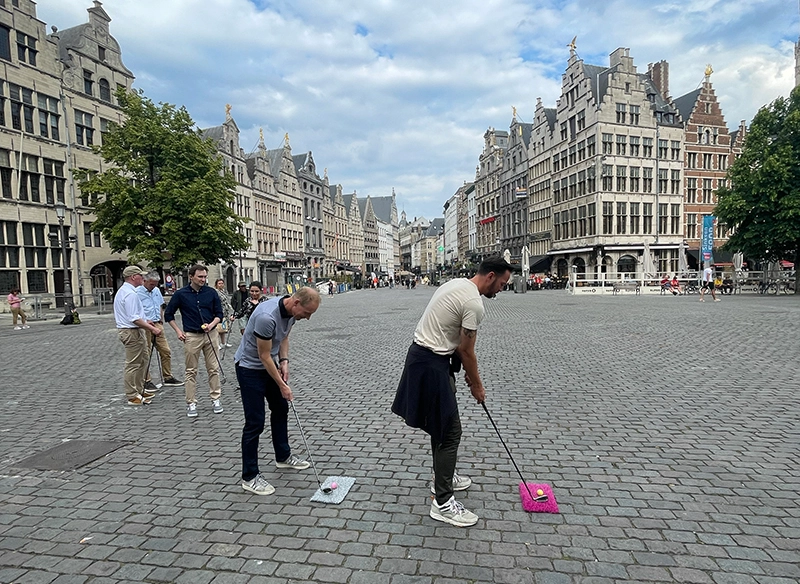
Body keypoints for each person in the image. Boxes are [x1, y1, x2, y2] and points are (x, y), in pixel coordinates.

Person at [392, 256, 513, 527]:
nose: (503, 289)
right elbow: (466, 350)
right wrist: (477, 385)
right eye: (503, 284)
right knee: (449, 431)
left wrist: (466, 377)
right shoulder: (474, 303)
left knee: (441, 425)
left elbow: (458, 346)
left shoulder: (457, 283)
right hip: (431, 363)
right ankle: (443, 502)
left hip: (425, 359)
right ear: (491, 276)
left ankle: (442, 476)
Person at [234, 287, 321, 495]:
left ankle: (283, 456)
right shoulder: (266, 317)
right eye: (307, 313)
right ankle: (250, 476)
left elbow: (283, 338)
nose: (307, 318)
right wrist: (282, 385)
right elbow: (263, 355)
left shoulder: (291, 313)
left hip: (269, 364)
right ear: (296, 303)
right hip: (249, 368)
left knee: (281, 408)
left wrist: (284, 361)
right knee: (255, 422)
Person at [164, 264, 225, 417]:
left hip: (210, 334)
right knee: (191, 370)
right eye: (200, 277)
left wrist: (211, 325)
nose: (203, 279)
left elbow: (219, 314)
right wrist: (178, 331)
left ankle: (216, 398)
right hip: (191, 335)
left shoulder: (211, 293)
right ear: (191, 276)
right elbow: (168, 315)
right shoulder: (181, 294)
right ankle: (191, 402)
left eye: (205, 276)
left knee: (213, 368)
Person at [114, 265, 162, 405]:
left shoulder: (127, 291)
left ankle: (140, 389)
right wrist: (151, 328)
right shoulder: (130, 294)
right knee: (133, 364)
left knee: (143, 360)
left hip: (135, 330)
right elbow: (133, 318)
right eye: (141, 276)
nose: (143, 278)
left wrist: (146, 321)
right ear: (133, 277)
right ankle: (132, 394)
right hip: (131, 331)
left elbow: (134, 315)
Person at [136, 272, 183, 389]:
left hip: (157, 324)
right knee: (145, 354)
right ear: (145, 281)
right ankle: (146, 380)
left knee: (166, 351)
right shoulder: (137, 293)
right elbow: (135, 311)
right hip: (145, 326)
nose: (153, 286)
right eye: (151, 284)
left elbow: (161, 305)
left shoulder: (156, 291)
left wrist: (161, 320)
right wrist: (145, 321)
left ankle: (167, 376)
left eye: (156, 284)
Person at [214, 278, 234, 348]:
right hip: (219, 312)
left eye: (222, 283)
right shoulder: (216, 292)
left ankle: (223, 343)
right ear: (216, 285)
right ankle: (217, 344)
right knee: (218, 328)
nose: (221, 285)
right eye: (219, 283)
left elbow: (227, 301)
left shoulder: (225, 291)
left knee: (223, 328)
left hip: (225, 312)